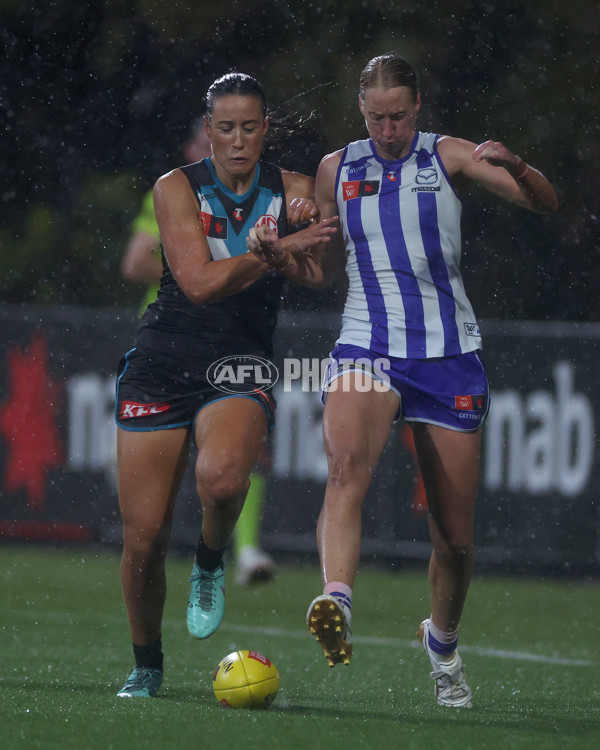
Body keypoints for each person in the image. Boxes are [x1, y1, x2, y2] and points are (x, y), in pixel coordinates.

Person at [247, 53, 558, 709]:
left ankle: (442, 645)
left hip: (448, 356)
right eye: (375, 117)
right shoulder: (338, 168)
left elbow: (543, 204)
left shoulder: (448, 157)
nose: (386, 130)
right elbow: (325, 271)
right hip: (367, 344)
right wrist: (282, 257)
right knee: (345, 468)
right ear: (362, 113)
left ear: (417, 109)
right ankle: (336, 601)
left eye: (397, 117)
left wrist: (520, 168)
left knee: (455, 537)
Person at [114, 72, 337, 698]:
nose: (238, 141)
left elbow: (321, 273)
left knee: (223, 479)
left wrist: (296, 244)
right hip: (163, 354)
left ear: (266, 129)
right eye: (226, 128)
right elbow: (200, 283)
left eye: (250, 128)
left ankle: (210, 562)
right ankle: (147, 662)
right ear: (208, 131)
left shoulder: (293, 190)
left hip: (241, 355)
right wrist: (271, 252)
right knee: (144, 536)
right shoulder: (174, 189)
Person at [120, 122, 277, 587]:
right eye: (208, 139)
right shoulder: (171, 192)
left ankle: (237, 552)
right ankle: (183, 558)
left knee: (238, 463)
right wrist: (192, 269)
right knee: (158, 498)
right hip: (169, 343)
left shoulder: (257, 197)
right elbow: (134, 262)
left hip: (232, 339)